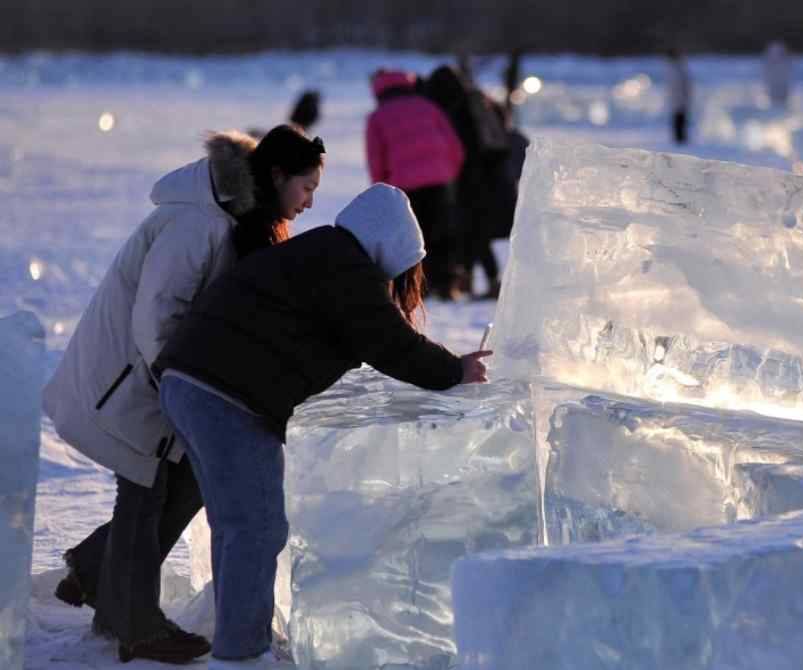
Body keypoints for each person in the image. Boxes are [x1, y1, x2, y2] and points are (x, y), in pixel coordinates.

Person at [153, 183, 490, 667]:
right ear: (389, 245)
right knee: (256, 526)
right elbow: (389, 343)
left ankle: (241, 639)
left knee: (236, 524)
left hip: (189, 383)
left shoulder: (322, 252)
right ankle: (242, 654)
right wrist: (455, 370)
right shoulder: (344, 267)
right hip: (223, 398)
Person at [42, 124, 324, 664]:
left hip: (161, 377)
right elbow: (155, 317)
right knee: (145, 490)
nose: (310, 202)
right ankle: (135, 626)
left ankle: (98, 571)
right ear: (277, 176)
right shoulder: (199, 222)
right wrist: (181, 389)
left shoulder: (234, 220)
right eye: (306, 188)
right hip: (132, 378)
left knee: (190, 477)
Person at [365, 68, 465, 300]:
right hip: (439, 180)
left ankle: (418, 287)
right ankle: (447, 284)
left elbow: (376, 158)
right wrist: (449, 174)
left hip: (403, 186)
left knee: (413, 236)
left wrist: (382, 190)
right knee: (442, 232)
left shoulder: (377, 117)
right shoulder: (428, 106)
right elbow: (454, 146)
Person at [424, 64, 512, 299]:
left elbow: (459, 145)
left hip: (468, 176)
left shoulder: (454, 108)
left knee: (471, 230)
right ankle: (475, 280)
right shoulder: (478, 100)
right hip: (490, 174)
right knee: (474, 230)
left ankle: (483, 281)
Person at [665, 49, 692, 144]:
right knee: (679, 121)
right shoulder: (676, 68)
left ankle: (680, 140)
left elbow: (683, 86)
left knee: (680, 121)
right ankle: (679, 140)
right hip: (677, 100)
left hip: (679, 100)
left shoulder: (677, 69)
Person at [763, 41, 792, 108]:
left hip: (783, 88)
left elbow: (788, 75)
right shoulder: (768, 63)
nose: (775, 54)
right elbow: (766, 76)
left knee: (782, 100)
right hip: (773, 88)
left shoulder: (786, 62)